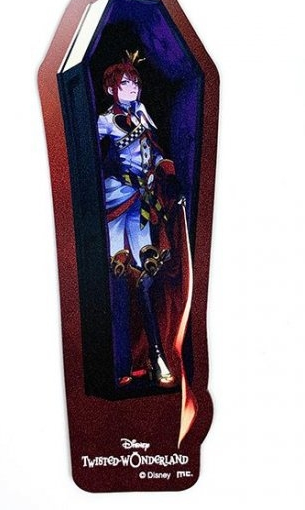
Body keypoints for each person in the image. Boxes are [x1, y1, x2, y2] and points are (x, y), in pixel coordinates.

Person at [97, 54, 181, 389]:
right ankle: (125, 360)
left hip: (144, 198)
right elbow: (90, 153)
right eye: (125, 83)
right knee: (120, 272)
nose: (132, 88)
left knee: (147, 271)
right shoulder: (105, 120)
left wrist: (165, 167)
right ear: (111, 89)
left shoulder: (143, 114)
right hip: (116, 197)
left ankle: (155, 355)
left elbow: (153, 152)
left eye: (135, 83)